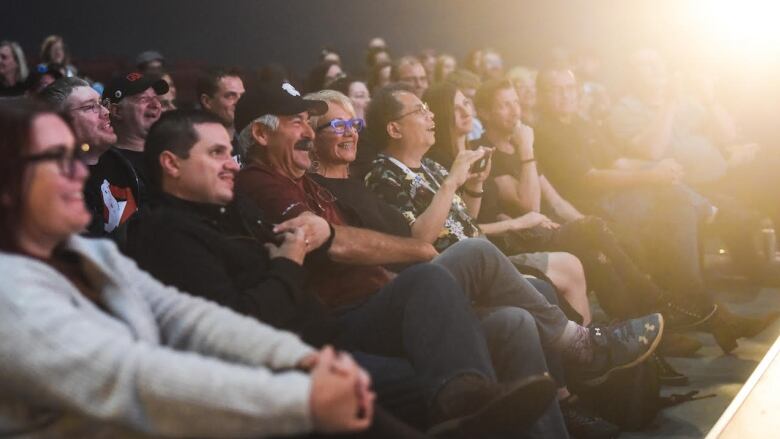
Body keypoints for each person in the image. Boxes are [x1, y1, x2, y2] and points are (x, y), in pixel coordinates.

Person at [129, 108, 562, 437]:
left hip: (337, 330)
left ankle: (525, 409)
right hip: (307, 351)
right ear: (171, 164)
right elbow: (234, 326)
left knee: (511, 322)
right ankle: (472, 396)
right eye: (216, 153)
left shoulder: (230, 212)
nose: (231, 163)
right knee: (447, 279)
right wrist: (287, 262)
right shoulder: (168, 232)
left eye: (229, 151)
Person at [0, 99, 387, 439]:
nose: (80, 173)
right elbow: (130, 379)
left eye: (76, 154)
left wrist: (298, 357)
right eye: (55, 159)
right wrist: (302, 399)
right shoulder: (10, 295)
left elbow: (187, 317)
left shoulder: (90, 255)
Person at [305, 89, 624, 439]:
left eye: (354, 123)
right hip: (399, 296)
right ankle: (582, 355)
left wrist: (472, 187)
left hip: (432, 274)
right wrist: (454, 185)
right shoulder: (370, 178)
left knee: (518, 317)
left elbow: (456, 227)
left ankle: (566, 406)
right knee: (491, 259)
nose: (351, 131)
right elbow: (421, 241)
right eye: (338, 124)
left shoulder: (375, 180)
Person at [476, 76, 777, 353]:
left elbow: (554, 198)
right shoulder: (493, 150)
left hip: (560, 223)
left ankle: (690, 319)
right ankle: (676, 320)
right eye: (504, 105)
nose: (514, 111)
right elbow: (529, 204)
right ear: (486, 113)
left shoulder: (530, 141)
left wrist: (587, 223)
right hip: (527, 239)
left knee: (647, 221)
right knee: (616, 242)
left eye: (515, 102)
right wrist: (528, 151)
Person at [422, 82, 591, 324]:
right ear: (438, 114)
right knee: (578, 254)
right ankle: (589, 342)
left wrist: (486, 197)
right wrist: (517, 222)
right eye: (455, 108)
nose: (464, 111)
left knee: (590, 240)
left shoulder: (476, 152)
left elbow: (472, 218)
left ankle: (593, 338)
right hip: (493, 249)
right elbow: (459, 229)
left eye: (465, 104)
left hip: (498, 240)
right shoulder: (438, 163)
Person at [609, 48, 780, 228]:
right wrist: (670, 102)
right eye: (647, 64)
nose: (658, 67)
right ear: (630, 74)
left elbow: (728, 135)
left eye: (659, 62)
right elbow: (652, 151)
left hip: (725, 173)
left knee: (775, 173)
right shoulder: (625, 109)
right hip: (689, 188)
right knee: (740, 219)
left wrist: (709, 99)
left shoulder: (688, 102)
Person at [85, 71, 168, 239]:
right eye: (144, 99)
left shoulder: (174, 157)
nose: (156, 105)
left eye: (156, 99)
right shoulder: (97, 167)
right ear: (116, 111)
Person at [196, 68, 245, 159]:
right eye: (230, 96)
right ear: (207, 101)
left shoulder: (252, 143)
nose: (240, 102)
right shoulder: (195, 146)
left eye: (242, 96)